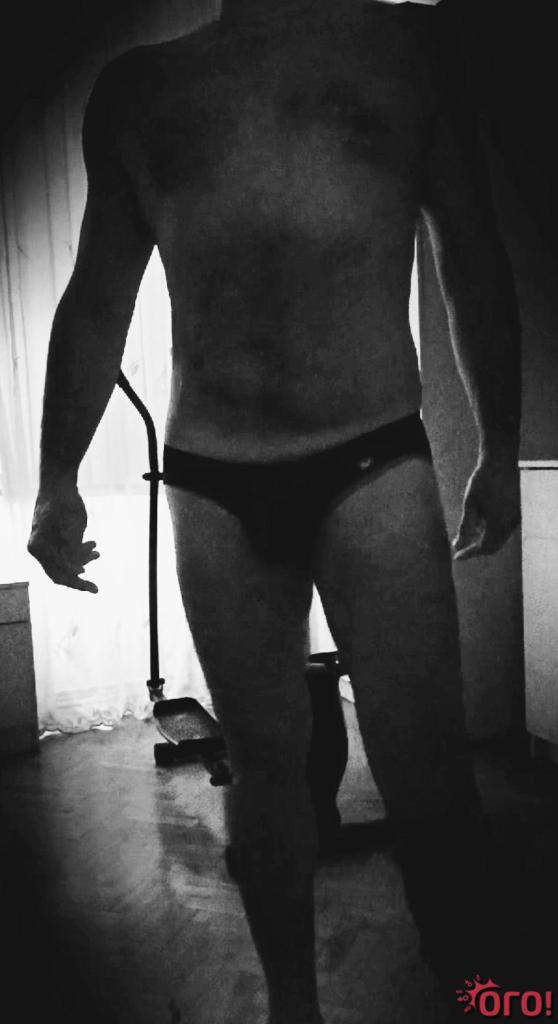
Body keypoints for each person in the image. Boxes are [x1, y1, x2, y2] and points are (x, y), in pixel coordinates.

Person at [28, 0, 522, 1021]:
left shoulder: (406, 48)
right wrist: (55, 475)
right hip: (213, 473)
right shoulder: (139, 90)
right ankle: (292, 1009)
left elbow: (471, 251)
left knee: (431, 782)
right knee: (264, 773)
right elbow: (96, 297)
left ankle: (484, 999)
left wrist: (502, 446)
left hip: (371, 451)